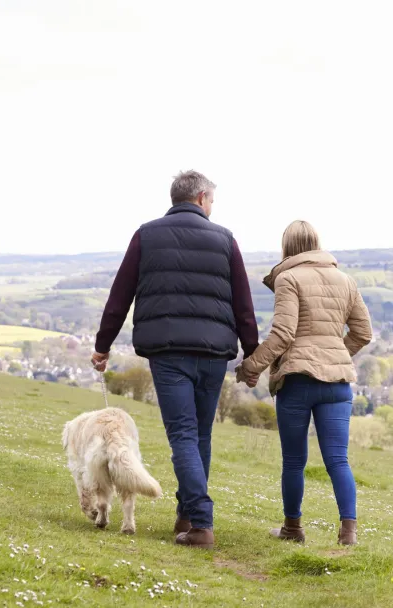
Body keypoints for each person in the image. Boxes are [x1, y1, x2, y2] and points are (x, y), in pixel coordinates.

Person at [91, 170, 258, 549]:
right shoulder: (225, 240)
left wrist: (102, 346)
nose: (212, 207)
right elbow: (243, 303)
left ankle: (199, 520)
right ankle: (188, 514)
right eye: (212, 200)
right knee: (199, 434)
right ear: (201, 198)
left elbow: (120, 295)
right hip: (214, 353)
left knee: (183, 434)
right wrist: (252, 353)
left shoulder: (146, 236)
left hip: (168, 353)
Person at [236, 220, 372, 546]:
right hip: (338, 383)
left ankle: (293, 528)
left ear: (287, 248)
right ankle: (349, 532)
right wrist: (336, 355)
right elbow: (363, 333)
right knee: (338, 459)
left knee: (295, 460)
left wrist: (251, 367)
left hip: (298, 382)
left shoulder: (288, 278)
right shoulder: (346, 280)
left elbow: (283, 334)